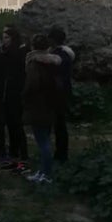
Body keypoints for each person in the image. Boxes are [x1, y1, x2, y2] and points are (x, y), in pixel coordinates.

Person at [23, 33, 62, 185]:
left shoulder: (34, 64)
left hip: (38, 105)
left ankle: (46, 173)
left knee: (42, 142)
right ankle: (44, 170)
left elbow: (31, 85)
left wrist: (24, 97)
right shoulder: (55, 62)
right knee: (46, 138)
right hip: (51, 103)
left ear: (33, 47)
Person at [0, 25, 29, 171]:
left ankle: (23, 159)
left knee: (17, 126)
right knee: (10, 126)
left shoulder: (20, 53)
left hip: (15, 94)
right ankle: (14, 157)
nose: (4, 40)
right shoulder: (6, 53)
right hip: (6, 95)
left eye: (7, 37)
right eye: (3, 38)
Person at [48, 26, 75, 163]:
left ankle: (61, 154)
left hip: (58, 93)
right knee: (60, 125)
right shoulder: (66, 54)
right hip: (63, 92)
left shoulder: (59, 56)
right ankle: (60, 153)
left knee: (59, 126)